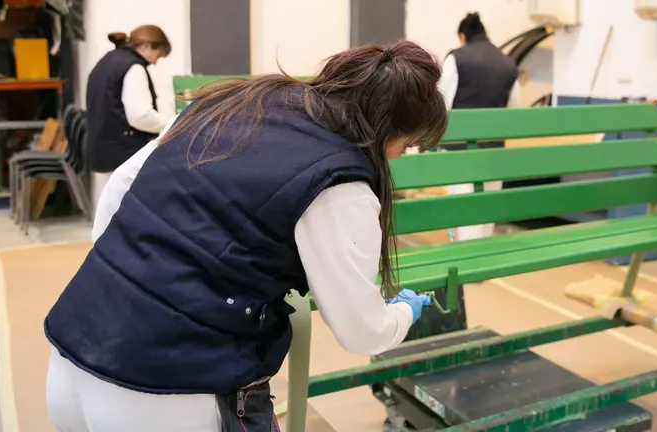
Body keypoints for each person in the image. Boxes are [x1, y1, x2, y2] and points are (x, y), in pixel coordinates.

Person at [44, 40, 447, 431]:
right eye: (407, 145)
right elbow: (362, 331)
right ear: (388, 131)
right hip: (166, 390)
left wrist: (129, 271)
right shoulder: (341, 184)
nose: (398, 157)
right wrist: (402, 313)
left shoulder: (235, 101)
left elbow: (122, 184)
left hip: (73, 353)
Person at [438, 12, 521, 242]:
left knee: (463, 211)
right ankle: (479, 266)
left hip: (459, 151)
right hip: (494, 152)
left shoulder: (457, 58)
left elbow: (442, 104)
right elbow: (515, 110)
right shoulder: (508, 64)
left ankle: (465, 268)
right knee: (485, 212)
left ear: (463, 36)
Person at [86, 25, 172, 213]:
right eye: (158, 56)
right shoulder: (133, 67)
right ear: (148, 46)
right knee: (126, 213)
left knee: (109, 213)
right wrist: (171, 124)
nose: (155, 63)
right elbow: (140, 116)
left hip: (104, 147)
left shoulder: (108, 61)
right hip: (124, 151)